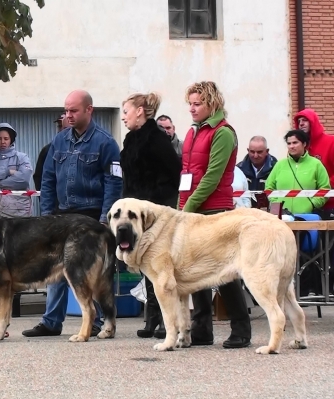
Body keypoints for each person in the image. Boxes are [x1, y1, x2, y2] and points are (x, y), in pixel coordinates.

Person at [22, 90, 122, 338]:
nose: (68, 115)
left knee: (88, 270)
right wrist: (46, 214)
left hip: (91, 216)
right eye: (66, 111)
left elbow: (114, 182)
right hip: (61, 215)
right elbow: (47, 179)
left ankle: (96, 320)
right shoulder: (59, 141)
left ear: (89, 110)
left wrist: (104, 218)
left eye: (73, 111)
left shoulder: (106, 142)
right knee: (56, 267)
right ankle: (51, 322)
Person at [179, 81, 252, 349]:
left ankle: (241, 329)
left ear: (212, 104)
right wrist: (182, 205)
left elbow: (213, 176)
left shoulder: (223, 133)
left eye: (197, 103)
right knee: (195, 271)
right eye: (190, 103)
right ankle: (202, 328)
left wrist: (187, 207)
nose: (192, 108)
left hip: (214, 209)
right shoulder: (193, 132)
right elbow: (186, 174)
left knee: (224, 273)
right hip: (192, 208)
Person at [119, 93, 181, 340]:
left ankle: (168, 321)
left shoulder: (157, 140)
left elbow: (172, 175)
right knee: (145, 265)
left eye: (126, 111)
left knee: (162, 267)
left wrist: (153, 205)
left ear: (140, 111)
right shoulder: (130, 139)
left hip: (155, 213)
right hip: (134, 213)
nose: (123, 117)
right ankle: (152, 318)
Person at [265, 129, 330, 214]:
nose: (291, 146)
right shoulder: (279, 165)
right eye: (289, 143)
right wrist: (276, 204)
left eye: (295, 142)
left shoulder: (316, 164)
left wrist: (312, 204)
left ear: (304, 144)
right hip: (282, 218)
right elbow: (268, 188)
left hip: (307, 218)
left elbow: (325, 189)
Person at [293, 108, 334, 212]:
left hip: (329, 204)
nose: (301, 124)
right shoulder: (298, 147)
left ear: (313, 122)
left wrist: (324, 187)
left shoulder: (330, 142)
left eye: (304, 120)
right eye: (299, 121)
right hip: (304, 204)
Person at [33, 114, 69, 191]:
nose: (61, 130)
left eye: (65, 127)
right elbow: (39, 177)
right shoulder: (47, 150)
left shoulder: (83, 149)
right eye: (59, 126)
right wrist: (45, 198)